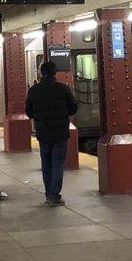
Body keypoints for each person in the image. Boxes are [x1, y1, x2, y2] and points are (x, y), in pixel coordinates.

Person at [25, 62, 78, 207]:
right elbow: (73, 109)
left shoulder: (34, 90)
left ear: (41, 73)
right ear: (55, 73)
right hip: (60, 133)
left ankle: (48, 194)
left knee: (46, 163)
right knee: (57, 164)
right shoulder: (63, 89)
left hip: (43, 133)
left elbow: (29, 112)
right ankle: (55, 195)